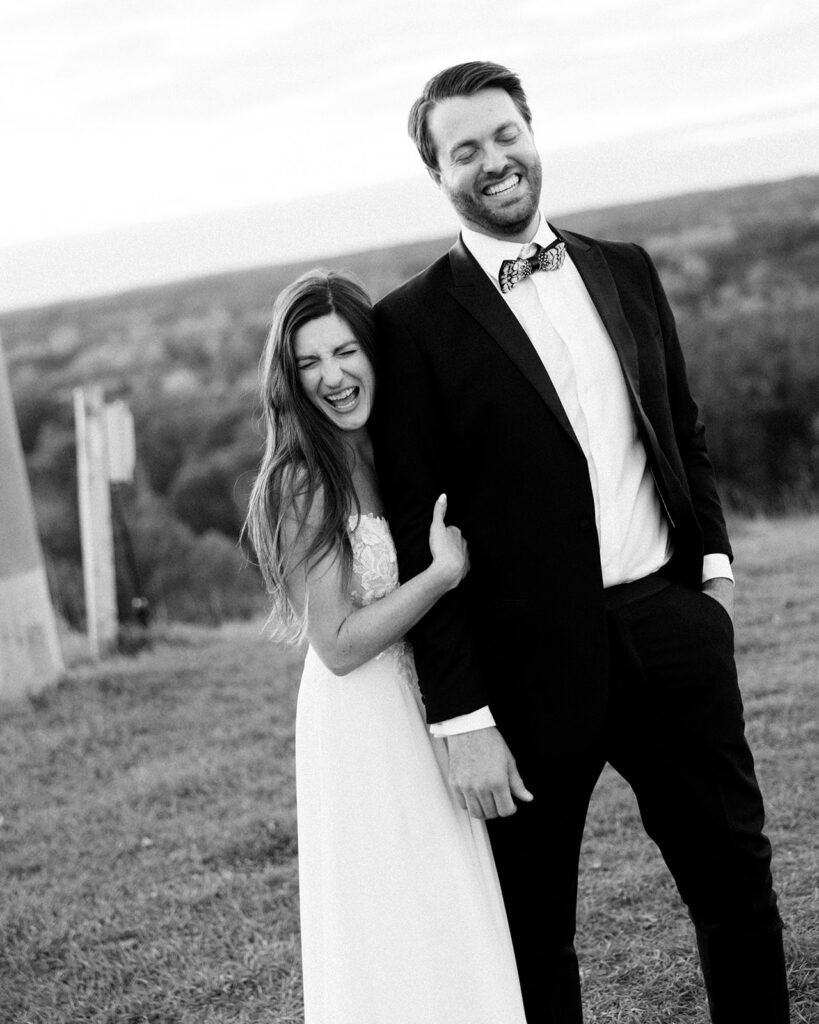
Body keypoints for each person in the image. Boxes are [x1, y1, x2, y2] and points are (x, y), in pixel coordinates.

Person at [371, 61, 790, 1024]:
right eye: (464, 149)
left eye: (504, 134)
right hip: (522, 675)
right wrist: (460, 716)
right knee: (533, 935)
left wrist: (712, 580)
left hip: (669, 626)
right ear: (437, 174)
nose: (494, 161)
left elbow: (680, 430)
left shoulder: (624, 267)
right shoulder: (410, 325)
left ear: (532, 132)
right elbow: (413, 533)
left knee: (735, 887)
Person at [243, 269, 527, 1023]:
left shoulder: (392, 447)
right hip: (363, 719)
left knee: (447, 896)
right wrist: (439, 577)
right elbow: (335, 643)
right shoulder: (305, 479)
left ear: (375, 351)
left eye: (345, 352)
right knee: (394, 914)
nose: (332, 377)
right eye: (309, 364)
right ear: (290, 380)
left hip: (420, 697)